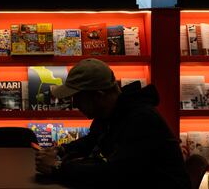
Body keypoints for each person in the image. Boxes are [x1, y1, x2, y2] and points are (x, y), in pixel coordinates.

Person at [35, 58, 191, 189]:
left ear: (99, 96)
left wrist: (57, 167)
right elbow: (92, 140)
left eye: (78, 97)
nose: (75, 104)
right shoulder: (111, 112)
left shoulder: (142, 119)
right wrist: (60, 150)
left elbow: (113, 174)